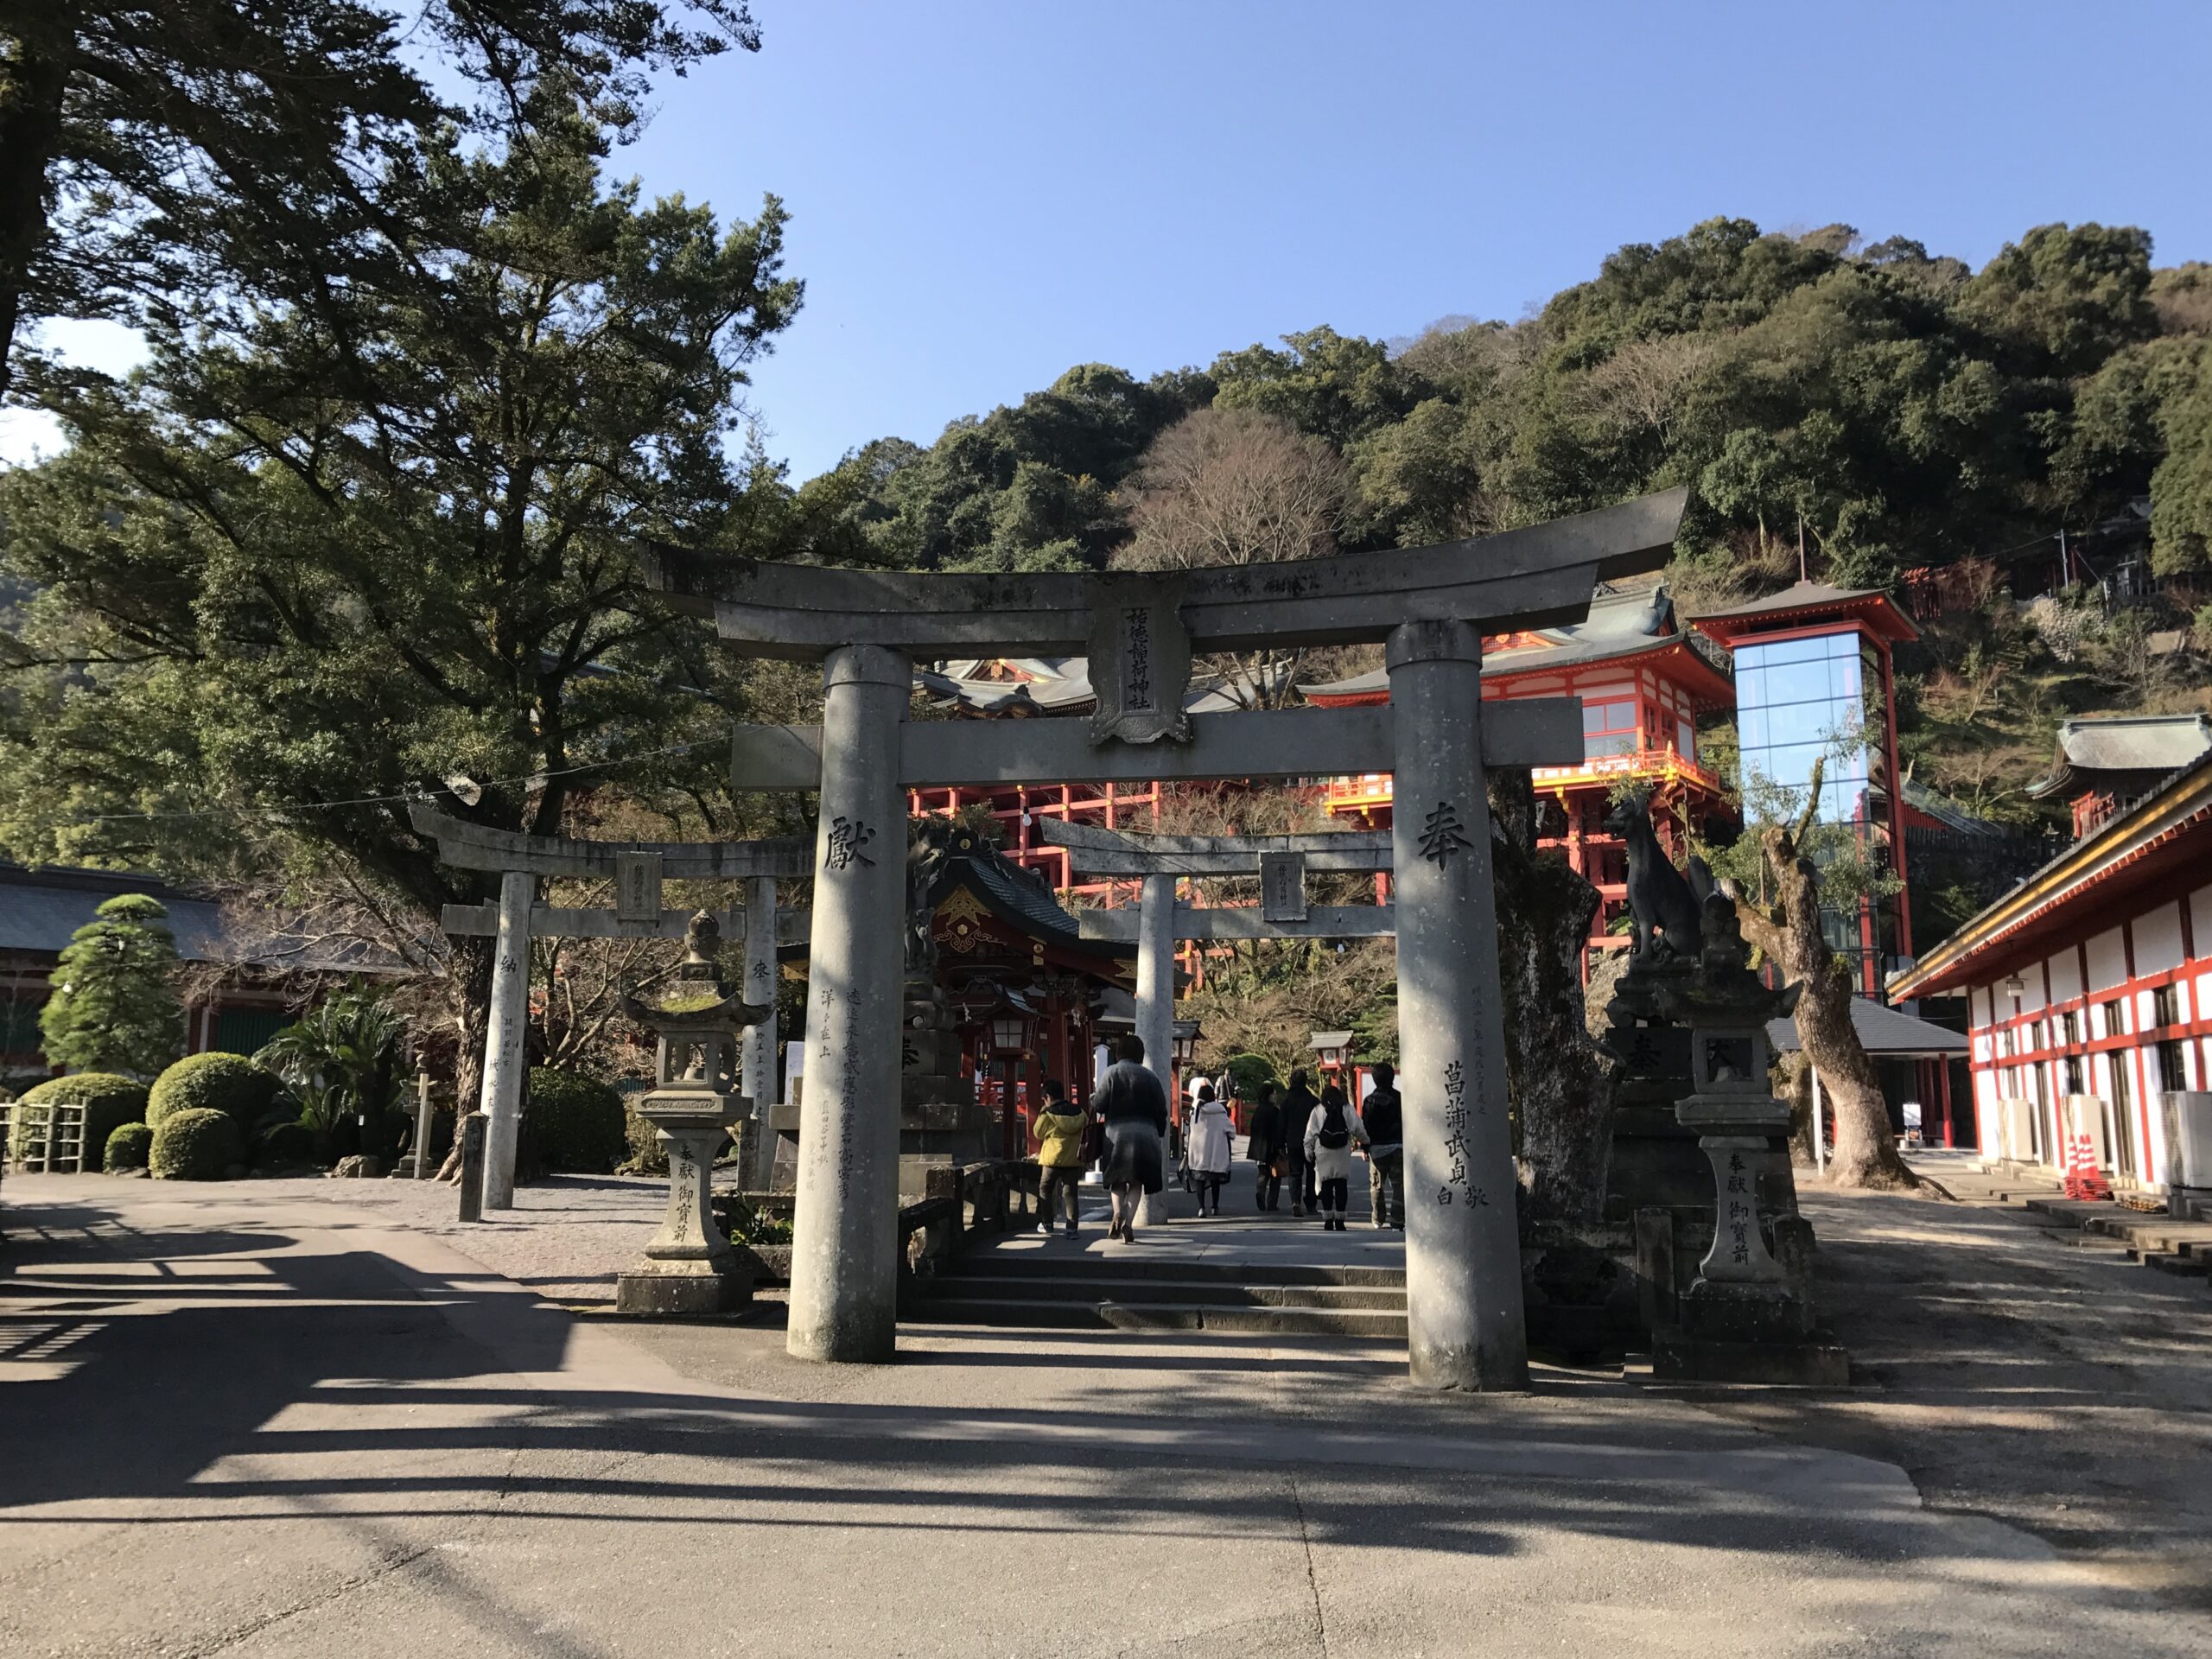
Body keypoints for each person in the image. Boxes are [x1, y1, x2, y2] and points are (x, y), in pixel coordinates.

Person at [1091, 1033, 1169, 1243]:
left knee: (1117, 1181)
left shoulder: (1111, 1073)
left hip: (1116, 1136)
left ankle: (1117, 1212)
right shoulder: (1151, 1077)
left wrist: (1093, 1099)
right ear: (1140, 1054)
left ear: (1119, 1052)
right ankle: (1128, 1224)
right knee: (1136, 1183)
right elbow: (1162, 1110)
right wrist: (1159, 1132)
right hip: (1145, 1136)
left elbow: (1099, 1105)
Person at [1302, 1082, 1365, 1231]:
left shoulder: (1318, 1110)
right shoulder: (1347, 1109)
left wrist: (1308, 1151)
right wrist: (1366, 1141)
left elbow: (1310, 1133)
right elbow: (1358, 1127)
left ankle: (1328, 1219)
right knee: (1341, 1184)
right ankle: (1340, 1220)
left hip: (1323, 1150)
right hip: (1342, 1150)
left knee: (1327, 1185)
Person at [1031, 1078, 1087, 1237]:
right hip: (1073, 1159)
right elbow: (1086, 1128)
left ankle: (1048, 1223)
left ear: (1048, 1097)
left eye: (1044, 1100)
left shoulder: (1048, 1114)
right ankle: (1072, 1228)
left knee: (1045, 1189)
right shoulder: (1079, 1112)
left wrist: (1043, 1111)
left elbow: (1038, 1132)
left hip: (1052, 1160)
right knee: (1070, 1193)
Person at [1360, 1061, 1404, 1230]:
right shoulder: (1400, 1098)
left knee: (1377, 1184)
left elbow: (1366, 1125)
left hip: (1377, 1148)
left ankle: (1378, 1218)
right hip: (1398, 1146)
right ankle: (1398, 1220)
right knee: (1399, 1185)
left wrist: (1365, 1147)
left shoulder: (1370, 1100)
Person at [1185, 1081, 1233, 1217]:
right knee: (1215, 1181)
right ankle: (1214, 1207)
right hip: (1217, 1155)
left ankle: (1201, 1208)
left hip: (1199, 1154)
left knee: (1200, 1181)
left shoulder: (1196, 1113)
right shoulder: (1221, 1113)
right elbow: (1232, 1132)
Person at [1281, 1067, 1319, 1217]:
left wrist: (1279, 1143)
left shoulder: (1286, 1102)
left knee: (1295, 1173)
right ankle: (1311, 1204)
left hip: (1292, 1142)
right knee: (1311, 1172)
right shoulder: (1313, 1101)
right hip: (1311, 1142)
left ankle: (1295, 1202)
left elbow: (1281, 1124)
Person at [1246, 1082, 1285, 1212]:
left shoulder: (1258, 1110)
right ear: (1269, 1095)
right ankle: (1271, 1203)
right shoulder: (1274, 1111)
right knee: (1275, 1175)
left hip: (1259, 1147)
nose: (1275, 1096)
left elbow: (1253, 1128)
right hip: (1272, 1147)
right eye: (1274, 1093)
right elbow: (1278, 1130)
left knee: (1263, 1173)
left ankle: (1260, 1193)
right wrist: (1280, 1146)